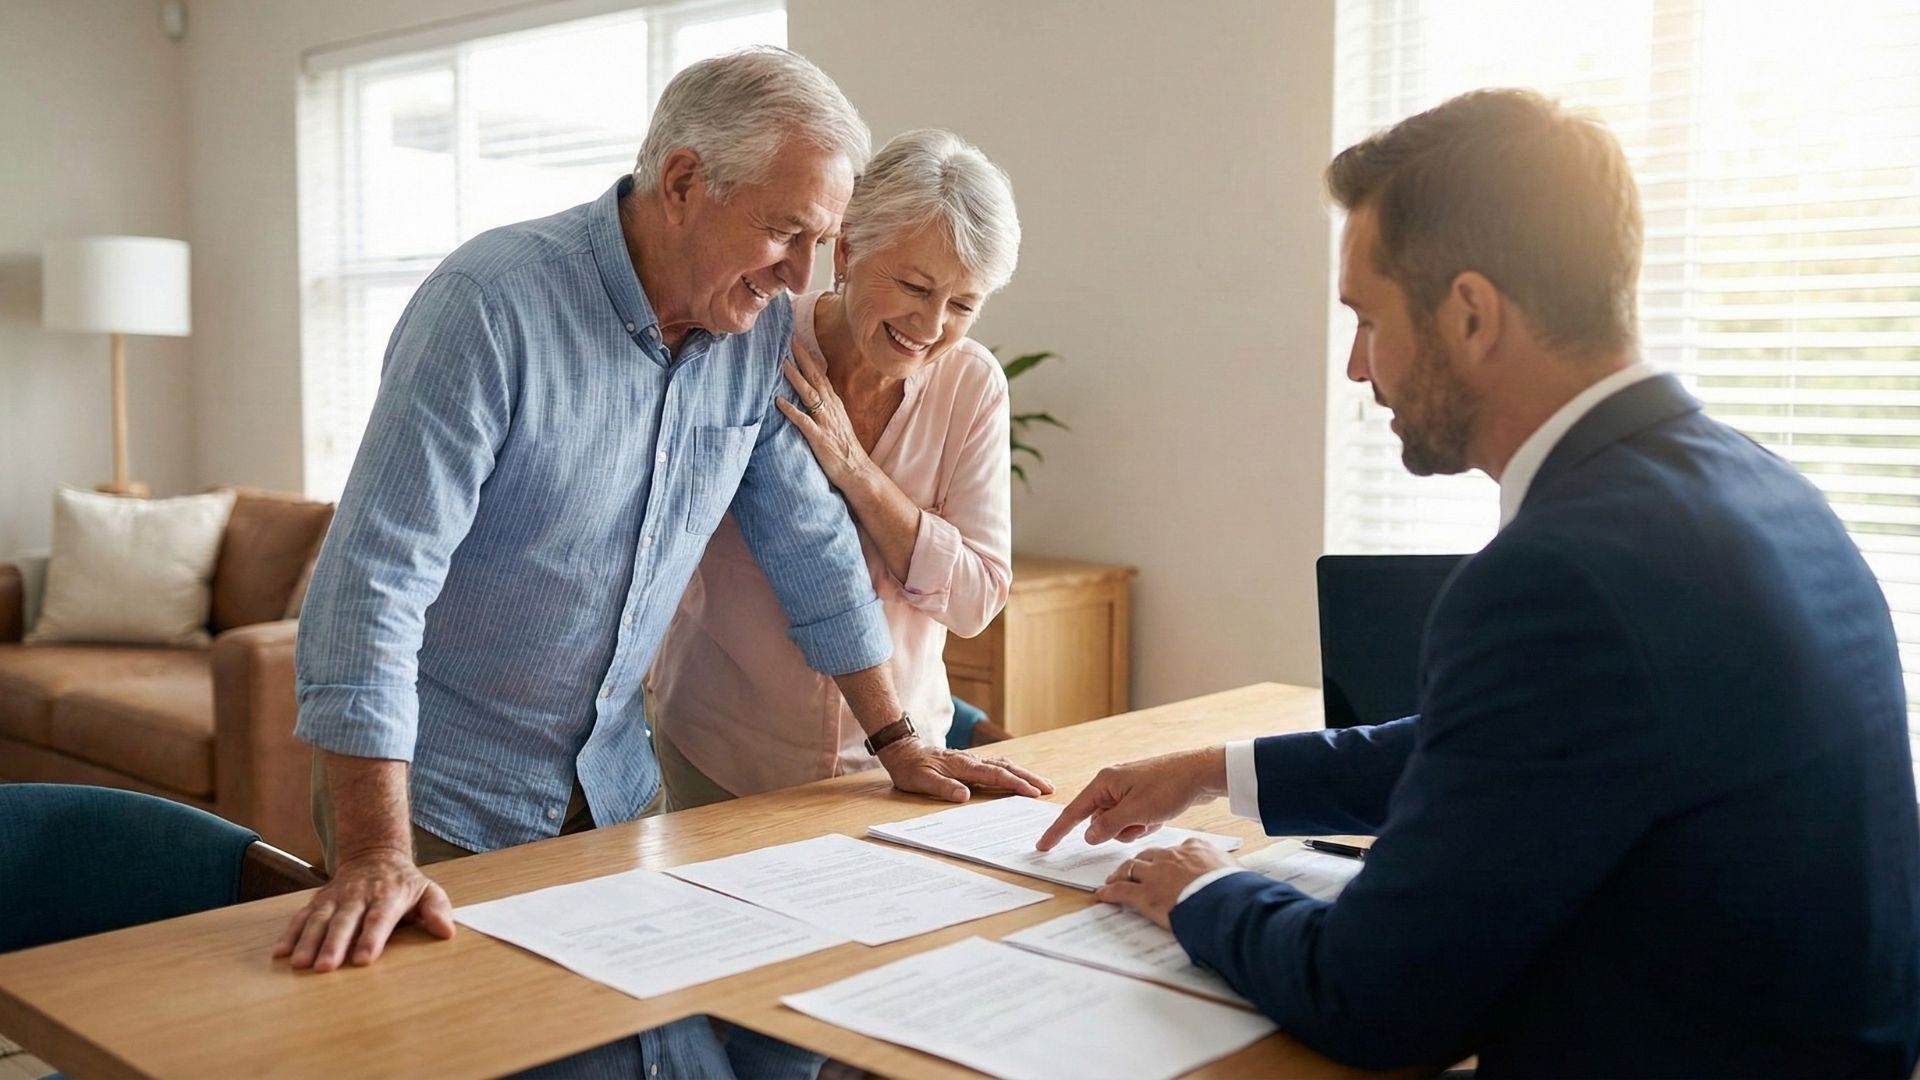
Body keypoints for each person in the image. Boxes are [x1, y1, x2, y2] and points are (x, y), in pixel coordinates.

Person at [1039, 89, 1920, 1077]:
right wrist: (1220, 771)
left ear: (1469, 314)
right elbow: (1514, 745)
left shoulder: (1561, 576)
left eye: (1368, 320)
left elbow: (1372, 999)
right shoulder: (1762, 486)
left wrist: (1200, 891)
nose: (1356, 368)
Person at [273, 46, 1047, 1078]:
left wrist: (897, 739)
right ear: (683, 183)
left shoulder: (751, 333)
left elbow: (810, 547)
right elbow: (372, 581)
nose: (800, 279)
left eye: (821, 243)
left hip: (617, 795)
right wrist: (375, 853)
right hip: (446, 803)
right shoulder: (491, 308)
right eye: (785, 232)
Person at [649, 128, 1033, 809]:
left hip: (896, 762)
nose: (932, 323)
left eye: (964, 305)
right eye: (915, 286)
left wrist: (858, 472)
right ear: (848, 251)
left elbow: (975, 600)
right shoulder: (751, 341)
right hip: (723, 750)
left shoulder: (972, 386)